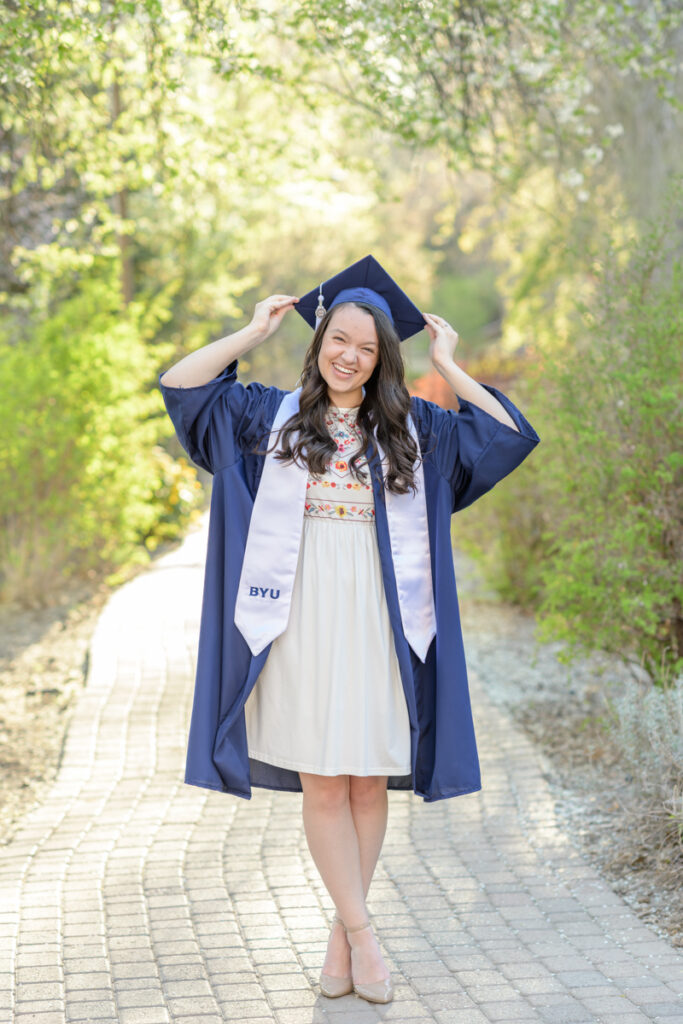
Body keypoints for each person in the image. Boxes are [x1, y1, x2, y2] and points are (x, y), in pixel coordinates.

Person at [159, 255, 539, 1005]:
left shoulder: (414, 429)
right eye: (339, 340)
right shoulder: (263, 416)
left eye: (367, 348)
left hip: (379, 613)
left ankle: (342, 935)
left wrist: (450, 365)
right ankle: (365, 937)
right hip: (297, 615)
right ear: (318, 341)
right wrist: (248, 330)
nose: (349, 356)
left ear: (381, 358)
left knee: (368, 778)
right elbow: (182, 384)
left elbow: (506, 436)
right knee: (324, 779)